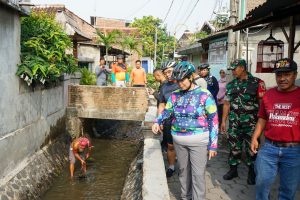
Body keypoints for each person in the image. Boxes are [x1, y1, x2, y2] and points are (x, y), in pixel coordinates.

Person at [152, 61, 218, 200]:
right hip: (179, 141)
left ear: (190, 77)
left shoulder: (204, 94)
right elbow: (167, 111)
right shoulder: (175, 95)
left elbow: (213, 119)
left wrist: (213, 144)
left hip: (199, 141)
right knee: (183, 172)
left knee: (198, 174)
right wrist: (157, 121)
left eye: (182, 80)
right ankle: (185, 197)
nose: (180, 84)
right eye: (178, 81)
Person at [251, 58, 300, 200]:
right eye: (279, 75)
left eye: (287, 74)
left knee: (288, 189)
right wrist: (255, 137)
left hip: (294, 151)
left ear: (295, 75)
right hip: (269, 148)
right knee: (261, 183)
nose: (282, 78)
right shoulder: (269, 94)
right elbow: (262, 118)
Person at [221, 59, 266, 185]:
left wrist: (263, 125)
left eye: (234, 69)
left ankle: (252, 172)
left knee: (252, 149)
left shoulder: (257, 83)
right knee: (234, 147)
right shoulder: (230, 85)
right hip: (234, 123)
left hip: (251, 124)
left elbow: (263, 105)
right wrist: (223, 121)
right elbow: (226, 103)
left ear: (242, 68)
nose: (233, 72)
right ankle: (233, 170)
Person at [158, 60, 180, 177]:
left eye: (169, 71)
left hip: (183, 122)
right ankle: (171, 167)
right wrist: (159, 120)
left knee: (183, 147)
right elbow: (162, 104)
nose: (167, 74)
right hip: (168, 121)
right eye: (165, 73)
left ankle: (185, 167)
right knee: (170, 146)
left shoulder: (183, 83)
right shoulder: (164, 87)